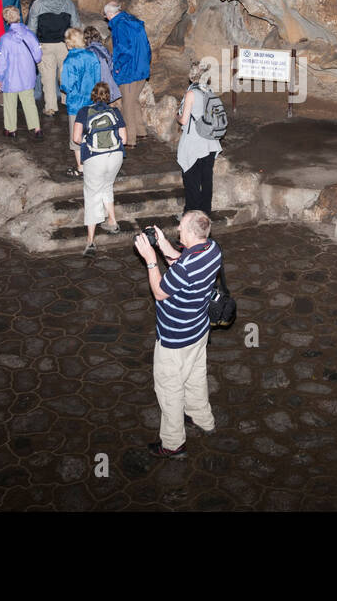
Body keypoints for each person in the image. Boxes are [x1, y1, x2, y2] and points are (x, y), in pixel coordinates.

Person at [133, 211, 221, 459]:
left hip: (175, 338)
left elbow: (160, 292)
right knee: (195, 376)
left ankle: (173, 444)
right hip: (199, 330)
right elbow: (182, 261)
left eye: (181, 228)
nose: (178, 231)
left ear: (192, 232)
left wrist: (151, 260)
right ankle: (203, 419)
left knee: (169, 389)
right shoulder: (212, 249)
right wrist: (163, 245)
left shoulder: (186, 268)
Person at [72, 81, 124, 257]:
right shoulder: (115, 111)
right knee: (107, 186)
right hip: (115, 156)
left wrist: (89, 141)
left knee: (92, 195)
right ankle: (112, 221)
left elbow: (76, 138)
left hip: (95, 157)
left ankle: (91, 242)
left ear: (92, 95)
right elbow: (123, 138)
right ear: (108, 96)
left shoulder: (84, 112)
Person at [26, 0, 81, 116]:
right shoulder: (68, 2)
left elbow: (32, 28)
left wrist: (33, 46)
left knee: (47, 77)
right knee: (66, 74)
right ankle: (68, 101)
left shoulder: (37, 4)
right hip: (65, 45)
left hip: (45, 45)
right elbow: (76, 25)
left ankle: (50, 107)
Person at [177, 61, 223, 215]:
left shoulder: (191, 93)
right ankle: (205, 214)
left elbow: (183, 120)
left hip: (195, 145)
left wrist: (176, 116)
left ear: (192, 76)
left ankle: (191, 215)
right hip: (210, 143)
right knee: (206, 181)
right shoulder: (209, 91)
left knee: (192, 182)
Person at [104, 1, 151, 147]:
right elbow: (147, 46)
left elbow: (124, 51)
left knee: (127, 105)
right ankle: (141, 131)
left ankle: (129, 140)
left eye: (106, 16)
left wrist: (117, 68)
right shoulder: (133, 21)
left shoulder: (119, 26)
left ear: (110, 14)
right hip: (142, 68)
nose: (106, 19)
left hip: (129, 71)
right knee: (133, 100)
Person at [0, 6, 44, 141]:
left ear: (6, 20)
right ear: (18, 16)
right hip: (28, 75)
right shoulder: (30, 34)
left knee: (10, 103)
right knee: (29, 102)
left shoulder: (5, 39)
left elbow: (2, 61)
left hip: (10, 78)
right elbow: (38, 56)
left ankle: (11, 129)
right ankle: (37, 129)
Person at [59, 27, 101, 175]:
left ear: (69, 42)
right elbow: (98, 79)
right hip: (92, 101)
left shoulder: (70, 60)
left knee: (76, 137)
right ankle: (95, 163)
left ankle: (81, 167)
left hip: (76, 104)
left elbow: (66, 85)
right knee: (91, 133)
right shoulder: (92, 56)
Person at [82, 26, 121, 105]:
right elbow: (111, 65)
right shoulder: (103, 49)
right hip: (107, 83)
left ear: (85, 39)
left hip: (95, 84)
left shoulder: (88, 52)